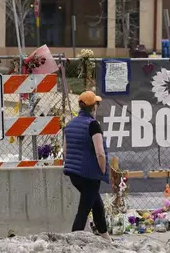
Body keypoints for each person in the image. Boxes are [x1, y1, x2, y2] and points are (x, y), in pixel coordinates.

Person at [63, 91, 110, 240]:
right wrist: (102, 171)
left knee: (97, 203)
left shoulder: (69, 125)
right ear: (94, 107)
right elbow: (100, 153)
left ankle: (105, 236)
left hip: (74, 174)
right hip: (89, 174)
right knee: (84, 209)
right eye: (96, 103)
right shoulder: (93, 125)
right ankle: (73, 240)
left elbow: (65, 151)